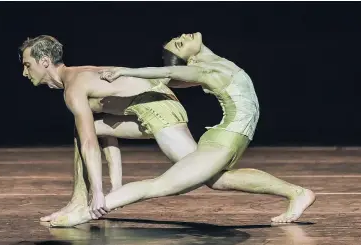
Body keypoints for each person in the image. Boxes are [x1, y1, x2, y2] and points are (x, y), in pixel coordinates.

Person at [49, 32, 316, 227]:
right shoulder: (206, 71)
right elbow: (165, 73)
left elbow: (169, 76)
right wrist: (126, 71)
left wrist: (149, 74)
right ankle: (85, 212)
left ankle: (297, 192)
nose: (183, 36)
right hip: (224, 139)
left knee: (216, 180)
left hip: (228, 138)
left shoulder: (215, 65)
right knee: (165, 185)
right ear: (186, 59)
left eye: (179, 38)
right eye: (179, 43)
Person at [19, 35, 199, 222]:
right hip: (155, 108)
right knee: (90, 129)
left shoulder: (74, 87)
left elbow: (89, 143)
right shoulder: (80, 77)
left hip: (160, 111)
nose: (25, 72)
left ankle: (82, 202)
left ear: (45, 61)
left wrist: (98, 192)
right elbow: (104, 130)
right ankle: (78, 201)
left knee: (210, 176)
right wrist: (115, 184)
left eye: (28, 65)